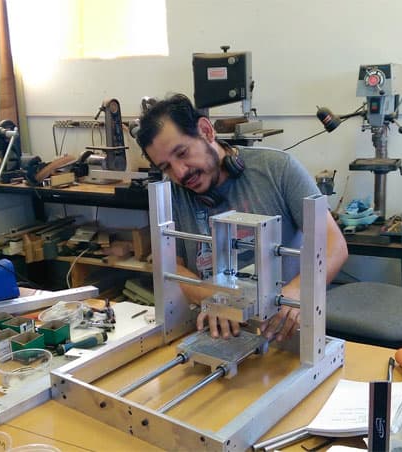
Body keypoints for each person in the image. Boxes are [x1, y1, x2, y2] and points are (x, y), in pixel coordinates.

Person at [136, 93, 348, 341]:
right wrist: (212, 296)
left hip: (285, 333)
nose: (180, 172)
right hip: (216, 333)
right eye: (166, 167)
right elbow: (170, 264)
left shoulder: (278, 169)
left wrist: (297, 292)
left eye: (182, 153)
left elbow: (335, 246)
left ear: (206, 131)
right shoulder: (171, 194)